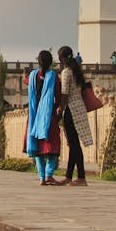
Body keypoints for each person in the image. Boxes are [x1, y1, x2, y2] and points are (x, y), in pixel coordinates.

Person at [57, 45, 93, 186]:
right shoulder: (76, 71)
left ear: (62, 58)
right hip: (79, 108)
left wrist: (60, 108)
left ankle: (82, 177)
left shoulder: (66, 72)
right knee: (73, 144)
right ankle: (69, 176)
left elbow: (65, 94)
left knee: (74, 144)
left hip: (71, 110)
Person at [26, 50, 63, 185]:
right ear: (51, 61)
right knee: (53, 146)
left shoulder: (32, 76)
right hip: (49, 115)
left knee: (38, 147)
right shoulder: (53, 76)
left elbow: (28, 84)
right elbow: (58, 95)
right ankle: (48, 174)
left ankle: (41, 177)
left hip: (34, 115)